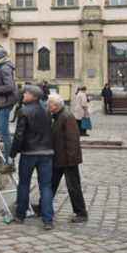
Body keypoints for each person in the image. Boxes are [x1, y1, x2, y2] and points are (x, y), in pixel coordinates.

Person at [10, 85, 54, 229]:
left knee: (24, 184)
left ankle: (20, 215)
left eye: (26, 93)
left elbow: (19, 135)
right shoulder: (47, 111)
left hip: (29, 153)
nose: (23, 95)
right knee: (46, 186)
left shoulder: (24, 111)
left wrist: (12, 153)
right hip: (46, 153)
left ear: (33, 96)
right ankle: (48, 219)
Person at [45, 93, 88, 223]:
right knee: (51, 184)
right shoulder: (57, 116)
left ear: (56, 105)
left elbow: (73, 140)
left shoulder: (67, 117)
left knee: (73, 186)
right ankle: (44, 207)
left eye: (49, 104)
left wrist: (71, 159)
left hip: (68, 160)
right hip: (58, 158)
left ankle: (81, 212)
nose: (47, 106)